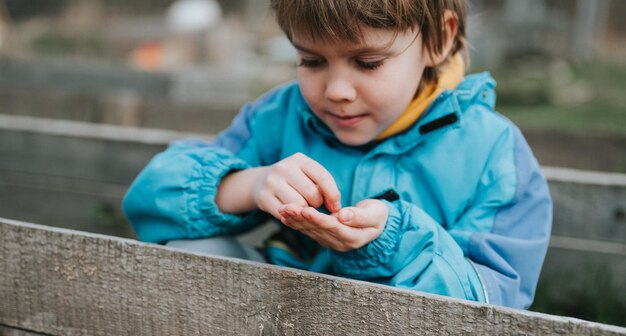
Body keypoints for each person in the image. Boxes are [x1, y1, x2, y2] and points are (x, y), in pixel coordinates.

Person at [123, 0, 552, 309]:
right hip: (277, 324)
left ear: (439, 38)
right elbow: (150, 197)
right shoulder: (280, 116)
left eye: (367, 63)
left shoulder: (493, 156)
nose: (336, 92)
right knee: (190, 251)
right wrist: (250, 184)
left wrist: (394, 241)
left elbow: (491, 306)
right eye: (311, 61)